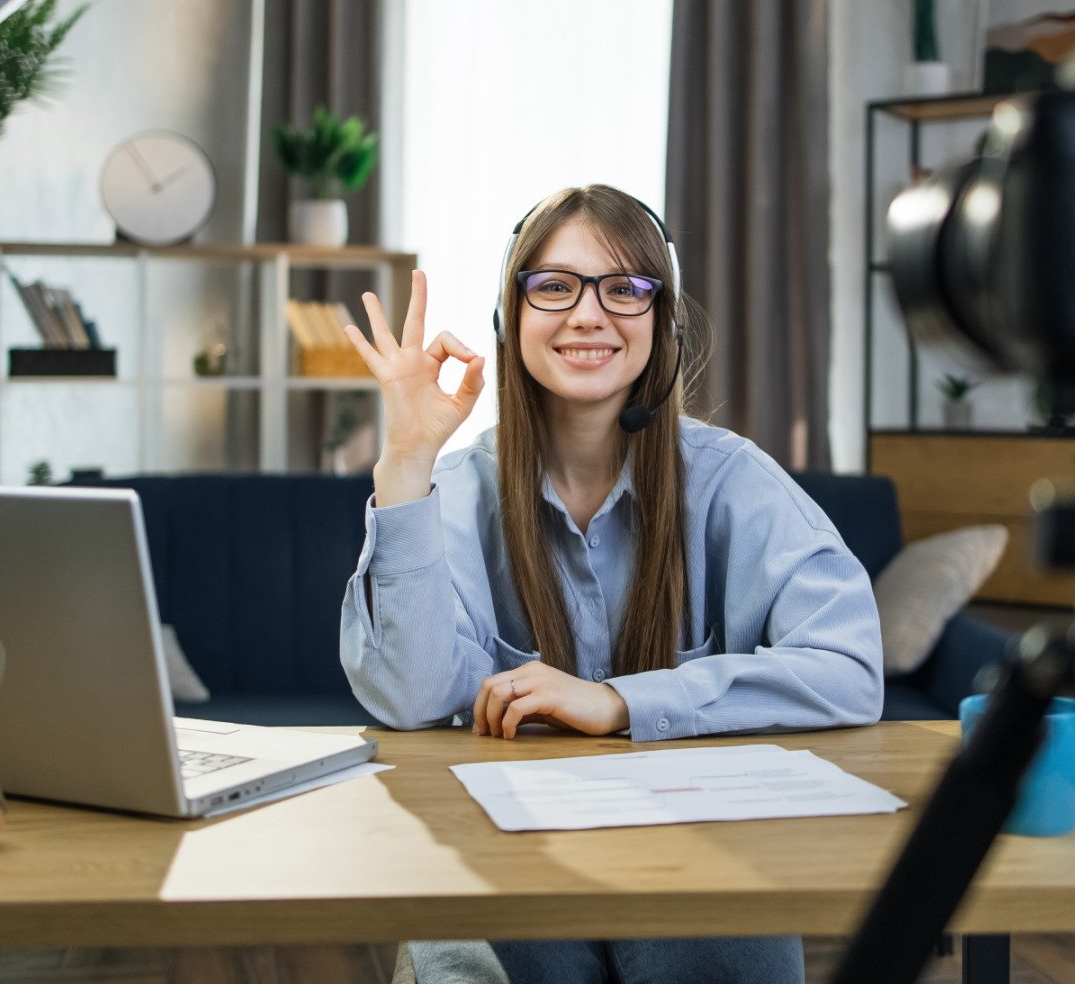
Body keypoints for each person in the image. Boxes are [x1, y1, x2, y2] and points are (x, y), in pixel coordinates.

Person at [339, 185, 883, 984]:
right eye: (554, 286)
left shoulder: (732, 480)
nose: (588, 315)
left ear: (661, 322)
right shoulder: (446, 492)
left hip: (701, 865)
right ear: (509, 317)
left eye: (625, 288)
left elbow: (851, 669)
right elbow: (410, 696)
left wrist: (629, 702)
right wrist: (407, 465)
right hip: (508, 866)